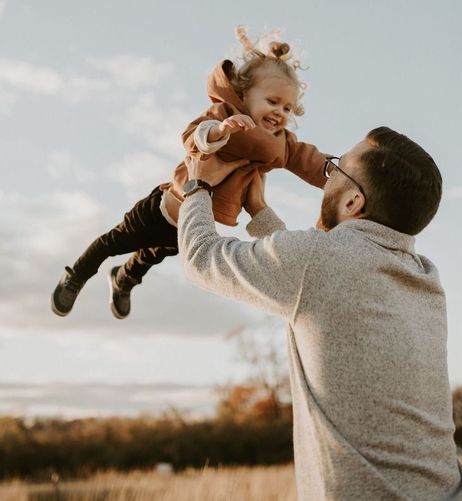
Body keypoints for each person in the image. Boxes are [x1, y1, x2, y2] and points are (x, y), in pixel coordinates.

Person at [178, 127, 462, 500]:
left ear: (353, 203)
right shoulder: (426, 279)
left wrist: (197, 187)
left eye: (335, 170)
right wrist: (259, 213)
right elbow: (316, 294)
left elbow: (200, 258)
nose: (327, 178)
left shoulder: (318, 263)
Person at [51, 27, 327, 319]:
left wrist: (337, 175)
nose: (280, 113)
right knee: (113, 243)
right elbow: (194, 136)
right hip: (162, 208)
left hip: (192, 226)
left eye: (288, 107)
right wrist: (219, 132)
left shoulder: (279, 144)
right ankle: (76, 274)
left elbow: (307, 159)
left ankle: (123, 279)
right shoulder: (226, 115)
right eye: (272, 102)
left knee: (150, 256)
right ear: (244, 94)